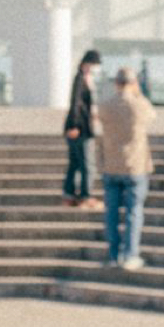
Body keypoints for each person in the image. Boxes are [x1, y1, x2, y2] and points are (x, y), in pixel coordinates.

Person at [95, 66, 156, 269]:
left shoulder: (106, 106)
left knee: (111, 214)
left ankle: (114, 256)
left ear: (116, 83)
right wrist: (138, 94)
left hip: (111, 165)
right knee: (134, 212)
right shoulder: (139, 105)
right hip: (135, 166)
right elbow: (152, 115)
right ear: (133, 83)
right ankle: (130, 255)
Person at [61, 48, 102, 209]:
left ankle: (69, 194)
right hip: (82, 127)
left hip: (79, 125)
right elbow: (76, 103)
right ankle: (85, 195)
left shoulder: (83, 78)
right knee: (86, 163)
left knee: (75, 163)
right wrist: (74, 125)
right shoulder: (81, 79)